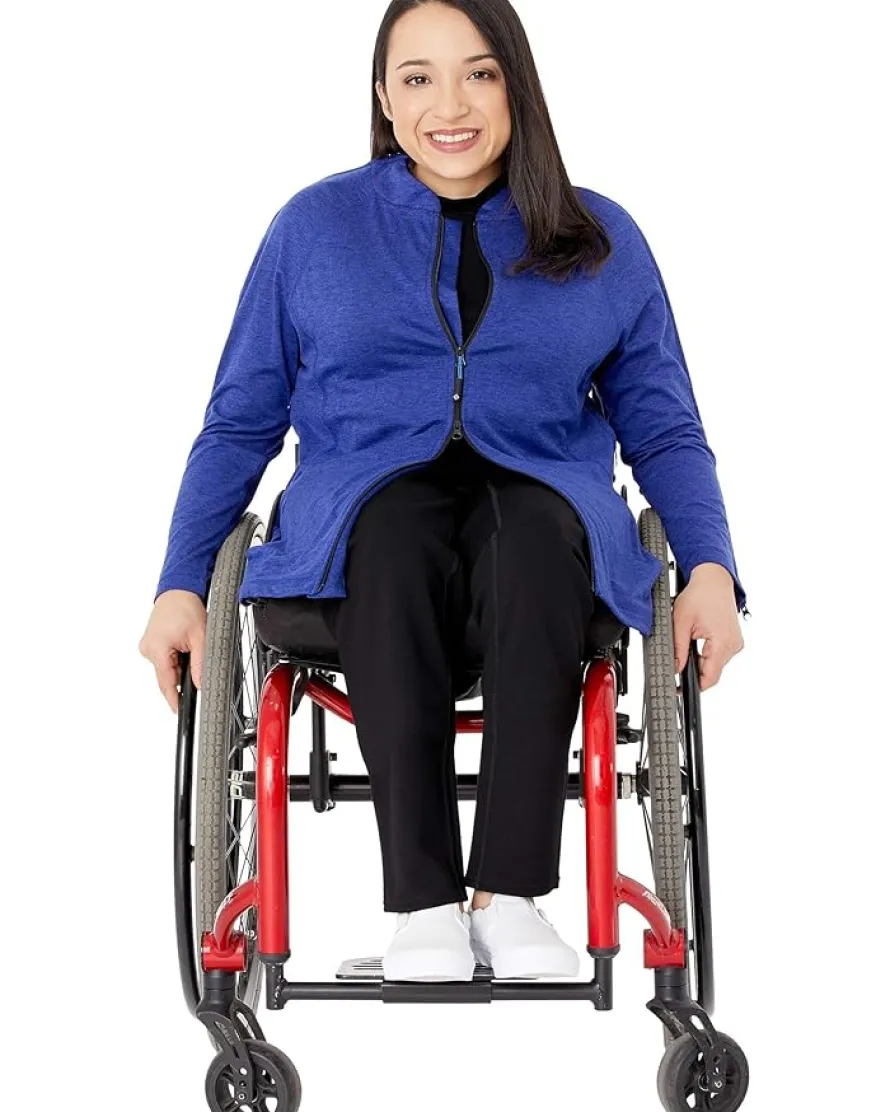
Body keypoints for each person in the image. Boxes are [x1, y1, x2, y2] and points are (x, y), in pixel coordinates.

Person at [139, 0, 747, 983]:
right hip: (360, 532)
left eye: (478, 73)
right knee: (392, 532)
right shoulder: (314, 229)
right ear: (384, 98)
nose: (448, 105)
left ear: (515, 85)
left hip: (543, 522)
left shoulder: (600, 239)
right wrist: (179, 581)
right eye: (417, 78)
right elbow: (240, 421)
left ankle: (509, 897)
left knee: (535, 535)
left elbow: (665, 425)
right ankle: (422, 903)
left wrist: (710, 565)